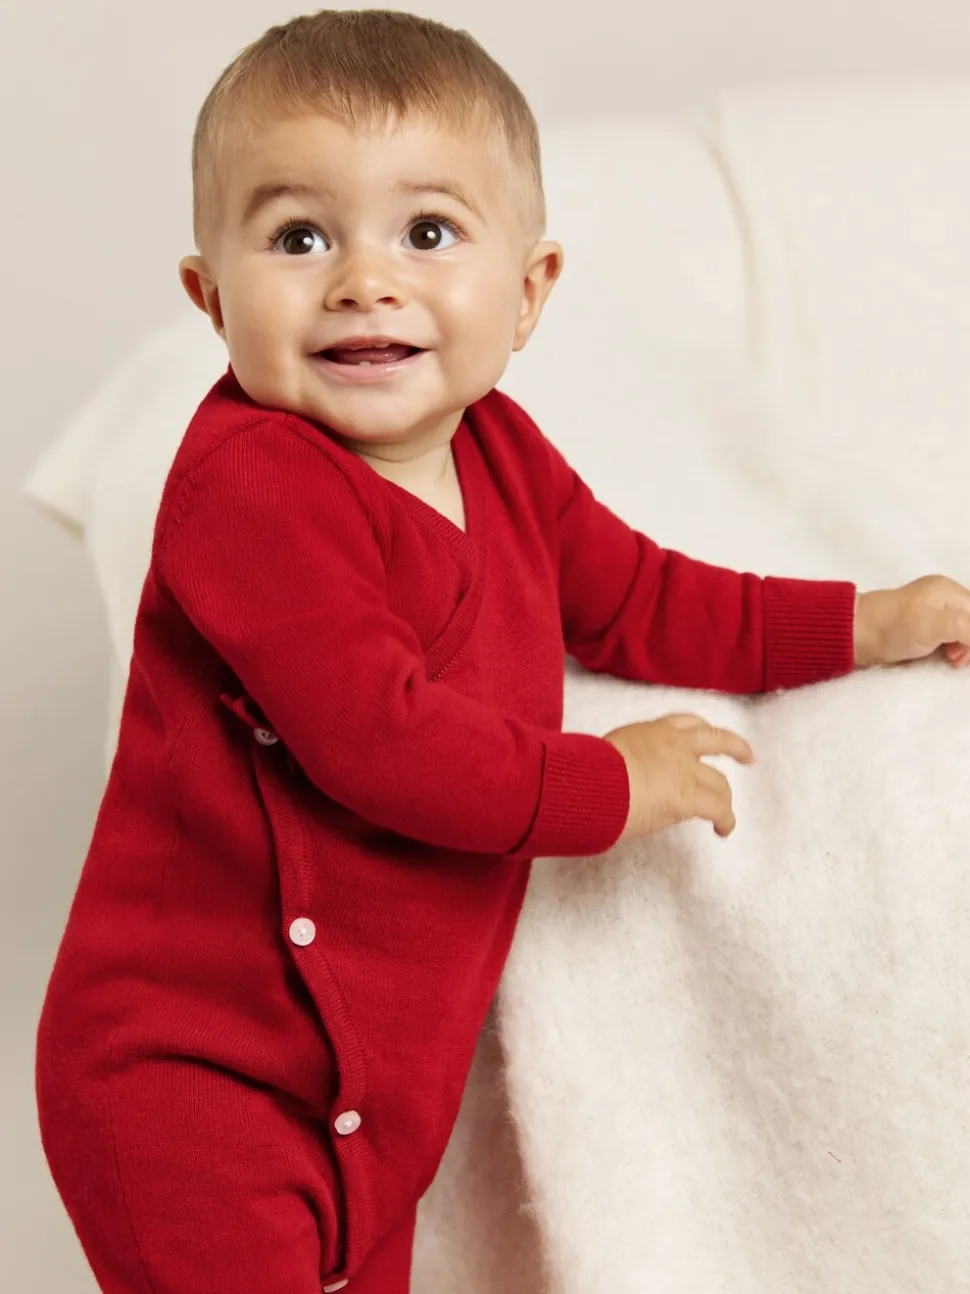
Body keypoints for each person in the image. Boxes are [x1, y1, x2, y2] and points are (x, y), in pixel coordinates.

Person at [35, 10, 970, 1294]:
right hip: (194, 1076)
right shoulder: (250, 491)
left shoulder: (501, 456)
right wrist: (607, 780)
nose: (363, 280)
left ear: (527, 292)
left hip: (368, 1098)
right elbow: (384, 739)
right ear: (211, 297)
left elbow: (642, 596)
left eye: (425, 232)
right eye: (299, 236)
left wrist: (860, 623)